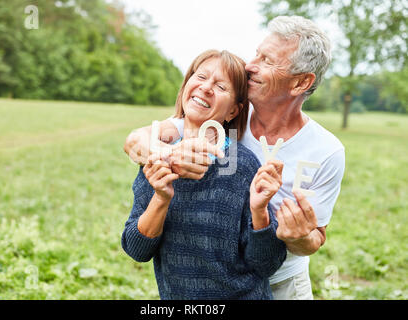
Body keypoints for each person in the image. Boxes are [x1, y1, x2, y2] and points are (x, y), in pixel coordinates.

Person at [123, 16, 345, 300]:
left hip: (283, 280)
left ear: (301, 82)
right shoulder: (212, 120)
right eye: (256, 53)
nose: (250, 65)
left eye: (267, 60)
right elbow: (137, 140)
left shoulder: (326, 150)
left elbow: (315, 239)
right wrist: (164, 161)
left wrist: (296, 234)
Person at [121, 49, 287, 300]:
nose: (206, 87)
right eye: (200, 77)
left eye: (221, 86)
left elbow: (267, 264)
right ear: (186, 85)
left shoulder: (242, 165)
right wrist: (161, 199)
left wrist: (259, 211)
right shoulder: (155, 156)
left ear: (233, 111)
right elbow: (137, 250)